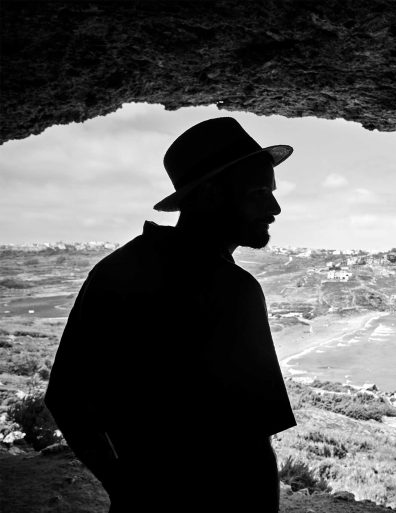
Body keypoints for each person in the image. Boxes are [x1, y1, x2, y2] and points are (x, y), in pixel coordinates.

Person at [45, 117, 297, 513]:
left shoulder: (116, 270)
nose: (275, 207)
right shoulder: (234, 290)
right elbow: (252, 443)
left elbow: (64, 396)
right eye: (260, 191)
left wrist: (122, 486)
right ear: (211, 194)